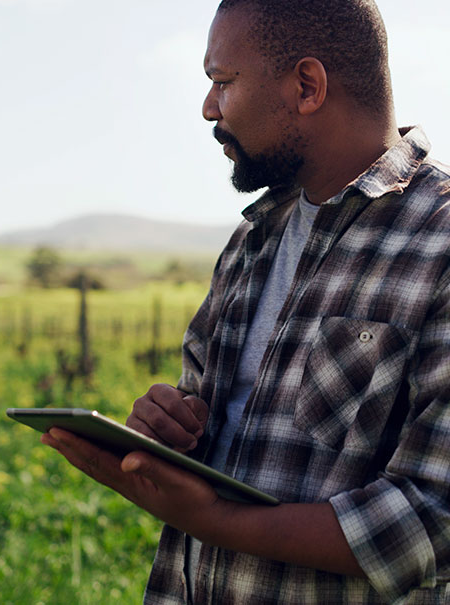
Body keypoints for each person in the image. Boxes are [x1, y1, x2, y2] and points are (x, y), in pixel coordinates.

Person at [41, 0, 450, 602]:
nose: (209, 108)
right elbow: (217, 425)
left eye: (222, 82)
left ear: (307, 86)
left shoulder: (439, 240)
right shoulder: (253, 237)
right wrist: (170, 434)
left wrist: (213, 521)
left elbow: (435, 518)